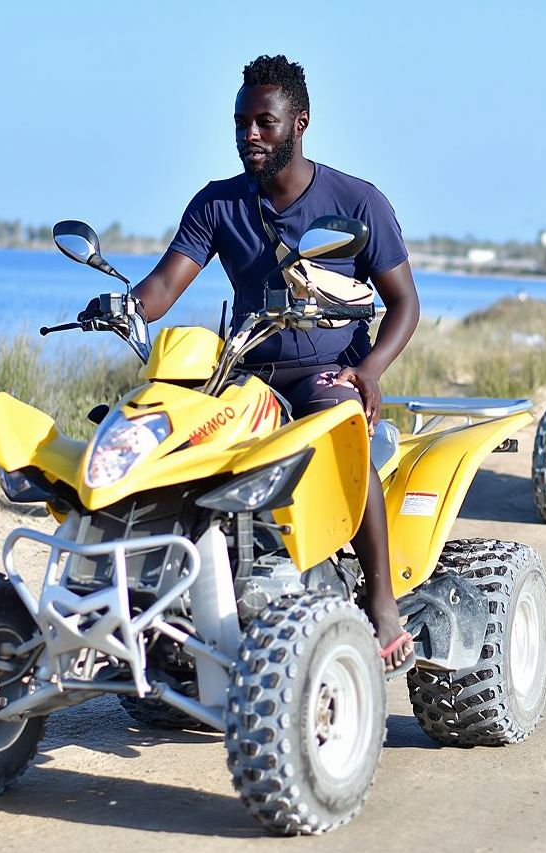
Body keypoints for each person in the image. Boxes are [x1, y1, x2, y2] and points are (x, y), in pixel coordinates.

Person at [78, 55, 421, 675]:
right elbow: (163, 286)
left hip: (326, 372)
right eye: (242, 123)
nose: (250, 135)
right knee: (177, 448)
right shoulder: (218, 204)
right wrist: (123, 305)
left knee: (346, 434)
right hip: (244, 372)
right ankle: (166, 599)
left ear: (300, 122)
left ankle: (381, 598)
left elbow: (404, 304)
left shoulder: (358, 201)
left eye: (264, 122)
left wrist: (367, 373)